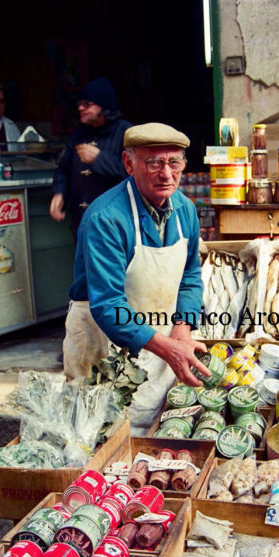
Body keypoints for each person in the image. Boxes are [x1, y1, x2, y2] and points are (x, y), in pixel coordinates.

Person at [62, 122, 210, 433]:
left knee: (150, 427)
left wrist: (181, 332)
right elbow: (108, 305)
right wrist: (168, 347)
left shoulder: (185, 210)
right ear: (129, 163)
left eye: (174, 162)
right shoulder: (106, 218)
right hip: (100, 342)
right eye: (153, 162)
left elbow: (190, 275)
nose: (166, 174)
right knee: (99, 434)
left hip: (157, 335)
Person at [49, 77, 131, 238]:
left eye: (87, 104)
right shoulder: (79, 135)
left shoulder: (127, 133)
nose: (80, 108)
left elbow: (136, 173)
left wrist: (99, 159)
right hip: (81, 222)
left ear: (104, 105)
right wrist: (59, 193)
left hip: (115, 223)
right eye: (79, 103)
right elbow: (63, 170)